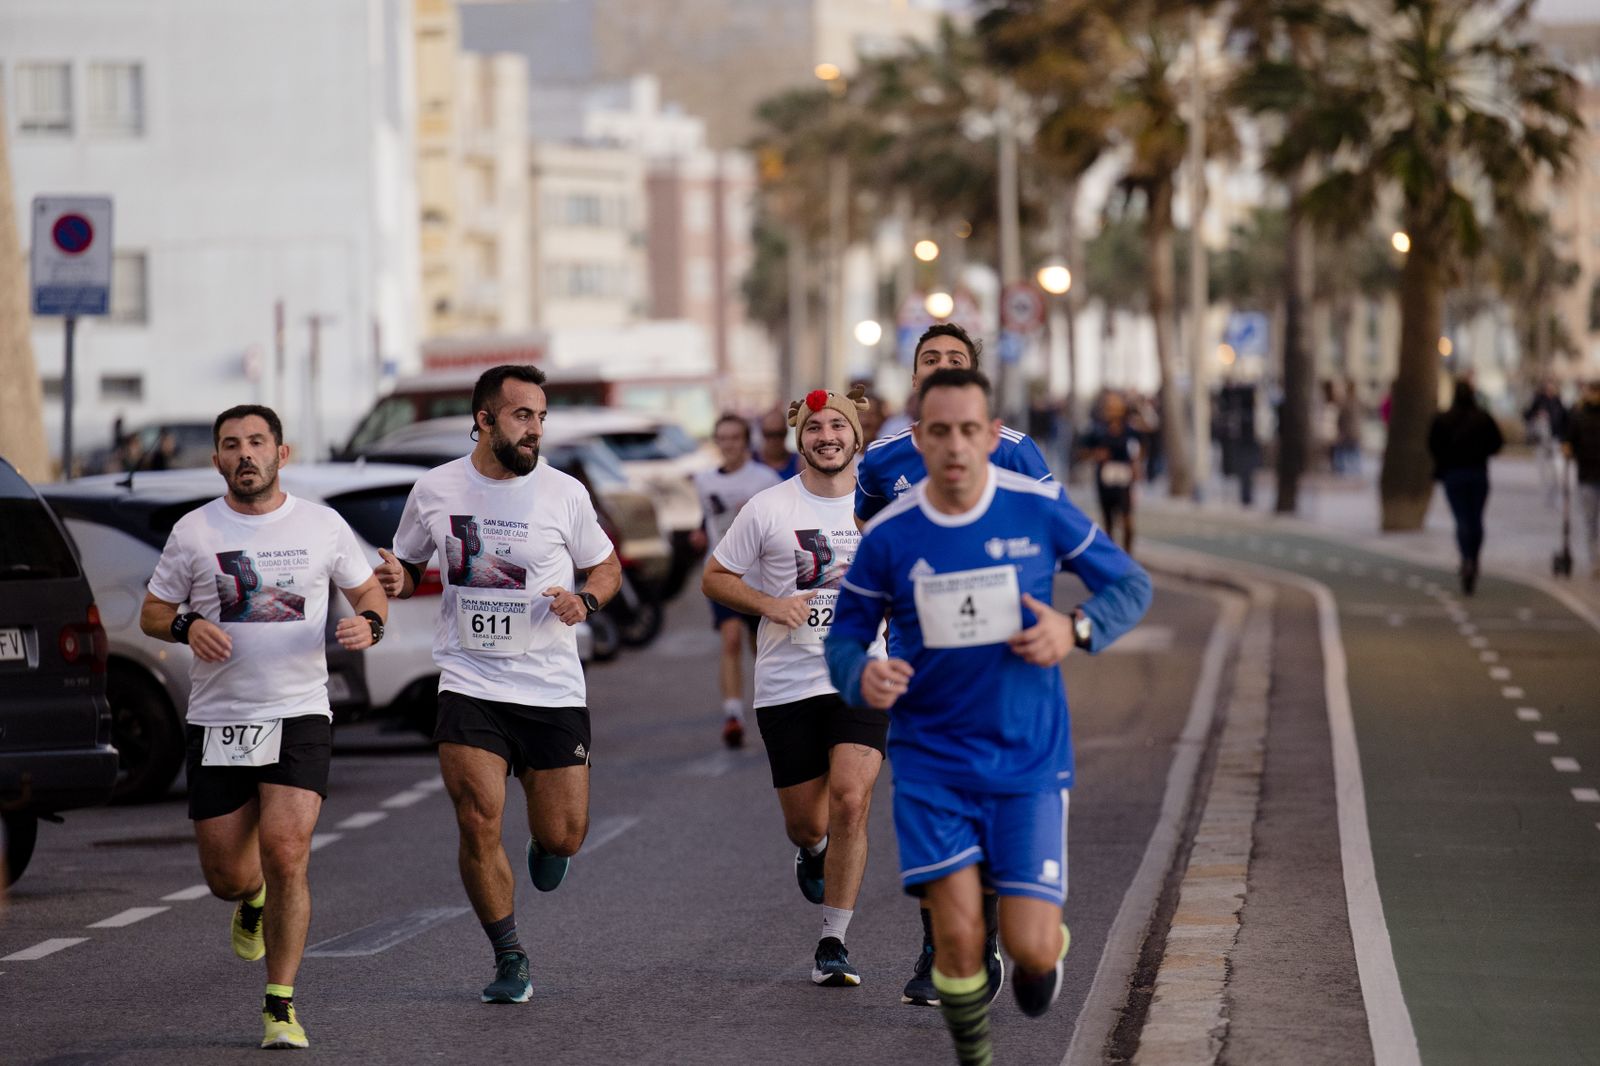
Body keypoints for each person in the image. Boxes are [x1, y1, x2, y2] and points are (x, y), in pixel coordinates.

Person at [825, 368, 1151, 1065]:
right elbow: (846, 639)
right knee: (961, 939)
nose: (955, 446)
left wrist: (1076, 630)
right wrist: (863, 676)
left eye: (970, 430)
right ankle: (976, 1055)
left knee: (1030, 949)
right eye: (938, 431)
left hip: (1027, 758)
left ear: (991, 434)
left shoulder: (1036, 507)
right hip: (931, 761)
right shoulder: (890, 536)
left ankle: (1039, 955)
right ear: (917, 437)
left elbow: (1129, 582)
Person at [139, 404, 388, 1049]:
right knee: (227, 876)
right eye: (231, 445)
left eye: (257, 442)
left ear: (282, 452)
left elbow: (369, 592)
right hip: (220, 719)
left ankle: (280, 1003)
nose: (245, 454)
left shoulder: (322, 525)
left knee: (287, 851)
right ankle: (250, 900)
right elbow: (152, 611)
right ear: (216, 458)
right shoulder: (194, 531)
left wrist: (372, 624)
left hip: (300, 711)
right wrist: (188, 625)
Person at [374, 365, 621, 1004]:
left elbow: (606, 566)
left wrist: (586, 602)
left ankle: (549, 841)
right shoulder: (434, 489)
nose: (535, 429)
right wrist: (396, 580)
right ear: (484, 420)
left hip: (549, 686)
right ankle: (509, 954)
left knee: (565, 833)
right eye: (521, 416)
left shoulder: (564, 493)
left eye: (540, 417)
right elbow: (406, 561)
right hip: (468, 677)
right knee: (478, 817)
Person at [854, 321, 1055, 1007]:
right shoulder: (882, 462)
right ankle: (940, 945)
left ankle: (994, 931)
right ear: (915, 380)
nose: (939, 365)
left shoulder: (1017, 453)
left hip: (1004, 668)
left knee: (993, 805)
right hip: (920, 666)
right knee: (930, 801)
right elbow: (869, 536)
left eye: (954, 359)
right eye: (929, 358)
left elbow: (1053, 533)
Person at [702, 384, 886, 987]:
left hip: (861, 673)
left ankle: (833, 940)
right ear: (797, 438)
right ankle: (810, 852)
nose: (826, 436)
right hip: (787, 681)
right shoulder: (767, 508)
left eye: (838, 426)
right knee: (809, 824)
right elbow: (716, 577)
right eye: (814, 428)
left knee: (852, 801)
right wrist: (770, 605)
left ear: (857, 437)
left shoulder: (884, 510)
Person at [691, 413, 781, 747]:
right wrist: (700, 533)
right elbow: (708, 518)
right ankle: (732, 714)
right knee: (730, 639)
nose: (728, 444)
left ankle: (772, 706)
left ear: (746, 442)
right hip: (724, 574)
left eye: (734, 438)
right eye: (723, 438)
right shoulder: (704, 481)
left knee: (762, 647)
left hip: (762, 577)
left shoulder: (765, 478)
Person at [1428, 377, 1504, 595]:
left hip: (1454, 475)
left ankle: (1466, 558)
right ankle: (1474, 557)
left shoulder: (1443, 419)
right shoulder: (1483, 418)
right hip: (1478, 473)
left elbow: (1433, 445)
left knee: (1462, 518)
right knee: (1476, 518)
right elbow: (1497, 443)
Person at [1079, 391, 1141, 552]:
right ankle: (1112, 558)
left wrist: (1136, 466)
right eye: (1109, 405)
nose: (1113, 408)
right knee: (1108, 523)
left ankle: (1128, 556)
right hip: (1105, 480)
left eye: (1116, 404)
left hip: (1124, 479)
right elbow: (1082, 452)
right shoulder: (1097, 429)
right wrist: (1096, 454)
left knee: (1127, 520)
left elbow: (1139, 448)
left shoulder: (1130, 428)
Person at [1563, 378, 1600, 579]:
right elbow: (1569, 439)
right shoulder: (1578, 415)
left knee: (1592, 521)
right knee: (1591, 521)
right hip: (1586, 475)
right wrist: (1568, 448)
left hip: (1589, 473)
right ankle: (1595, 562)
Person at [1525, 379, 1569, 508]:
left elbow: (1565, 421)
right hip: (1541, 441)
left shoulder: (1558, 402)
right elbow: (1527, 415)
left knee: (1557, 470)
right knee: (1544, 471)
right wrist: (1537, 415)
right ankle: (1546, 496)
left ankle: (1555, 495)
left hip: (1555, 440)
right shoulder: (1539, 401)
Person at [755, 406, 803, 480]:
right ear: (762, 433)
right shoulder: (751, 461)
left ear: (786, 432)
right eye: (769, 434)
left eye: (780, 434)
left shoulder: (799, 464)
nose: (774, 440)